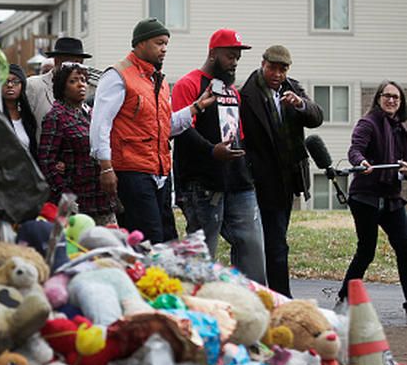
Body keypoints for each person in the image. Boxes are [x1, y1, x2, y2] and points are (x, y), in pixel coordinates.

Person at [90, 18, 214, 244]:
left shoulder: (159, 81)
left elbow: (166, 126)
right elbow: (100, 124)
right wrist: (106, 167)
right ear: (140, 44)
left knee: (166, 239)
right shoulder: (117, 75)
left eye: (166, 43)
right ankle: (143, 279)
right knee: (148, 240)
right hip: (132, 171)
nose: (164, 48)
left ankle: (157, 280)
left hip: (159, 172)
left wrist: (196, 107)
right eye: (159, 43)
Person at [172, 29, 266, 284]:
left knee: (252, 246)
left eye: (237, 57)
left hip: (238, 181)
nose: (234, 61)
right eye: (229, 56)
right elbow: (181, 129)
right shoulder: (188, 84)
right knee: (202, 254)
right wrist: (211, 150)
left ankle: (255, 302)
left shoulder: (231, 91)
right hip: (202, 183)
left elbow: (239, 134)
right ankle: (195, 305)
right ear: (213, 53)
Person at [240, 45, 323, 297]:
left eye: (282, 69)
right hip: (263, 180)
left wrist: (300, 105)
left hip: (289, 178)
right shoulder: (248, 94)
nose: (277, 74)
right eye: (272, 67)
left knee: (276, 241)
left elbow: (316, 117)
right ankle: (282, 299)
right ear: (262, 64)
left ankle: (271, 296)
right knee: (276, 246)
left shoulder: (293, 89)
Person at [336, 81, 407, 313]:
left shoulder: (399, 129)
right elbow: (355, 149)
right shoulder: (368, 123)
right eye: (387, 96)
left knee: (404, 247)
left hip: (391, 198)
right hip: (365, 197)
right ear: (378, 98)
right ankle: (344, 298)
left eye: (396, 97)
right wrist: (361, 162)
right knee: (367, 251)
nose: (391, 100)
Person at [38, 63, 116, 225]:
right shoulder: (56, 117)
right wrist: (66, 195)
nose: (81, 84)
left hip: (102, 197)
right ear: (62, 87)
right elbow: (46, 162)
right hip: (77, 200)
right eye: (73, 81)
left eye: (83, 80)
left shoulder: (92, 113)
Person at [28, 37, 90, 139]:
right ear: (57, 61)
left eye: (79, 63)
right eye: (70, 63)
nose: (76, 67)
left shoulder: (84, 87)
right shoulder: (34, 85)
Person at [2, 64, 38, 159]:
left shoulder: (28, 118)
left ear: (22, 85)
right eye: (5, 81)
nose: (10, 85)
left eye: (15, 81)